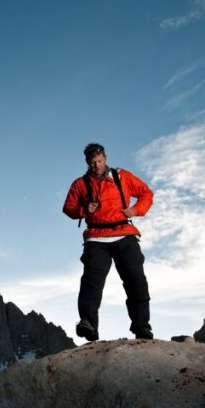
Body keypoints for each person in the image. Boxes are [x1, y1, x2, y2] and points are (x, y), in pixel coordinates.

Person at [62, 142, 154, 341]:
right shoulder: (80, 184)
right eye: (92, 162)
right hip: (96, 238)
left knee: (136, 281)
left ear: (105, 158)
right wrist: (84, 209)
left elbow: (146, 193)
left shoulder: (122, 176)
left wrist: (136, 210)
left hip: (124, 234)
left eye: (99, 161)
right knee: (91, 283)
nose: (96, 165)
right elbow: (68, 208)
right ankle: (89, 325)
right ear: (87, 162)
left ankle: (141, 327)